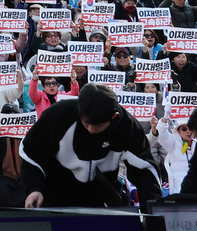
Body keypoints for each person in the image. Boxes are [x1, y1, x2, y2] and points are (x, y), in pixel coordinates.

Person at [20, 82, 161, 210]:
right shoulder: (58, 116)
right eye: (86, 124)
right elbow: (31, 152)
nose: (91, 130)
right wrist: (34, 188)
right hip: (54, 198)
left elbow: (146, 171)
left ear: (114, 117)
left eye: (98, 126)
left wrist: (152, 210)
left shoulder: (127, 127)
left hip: (101, 201)